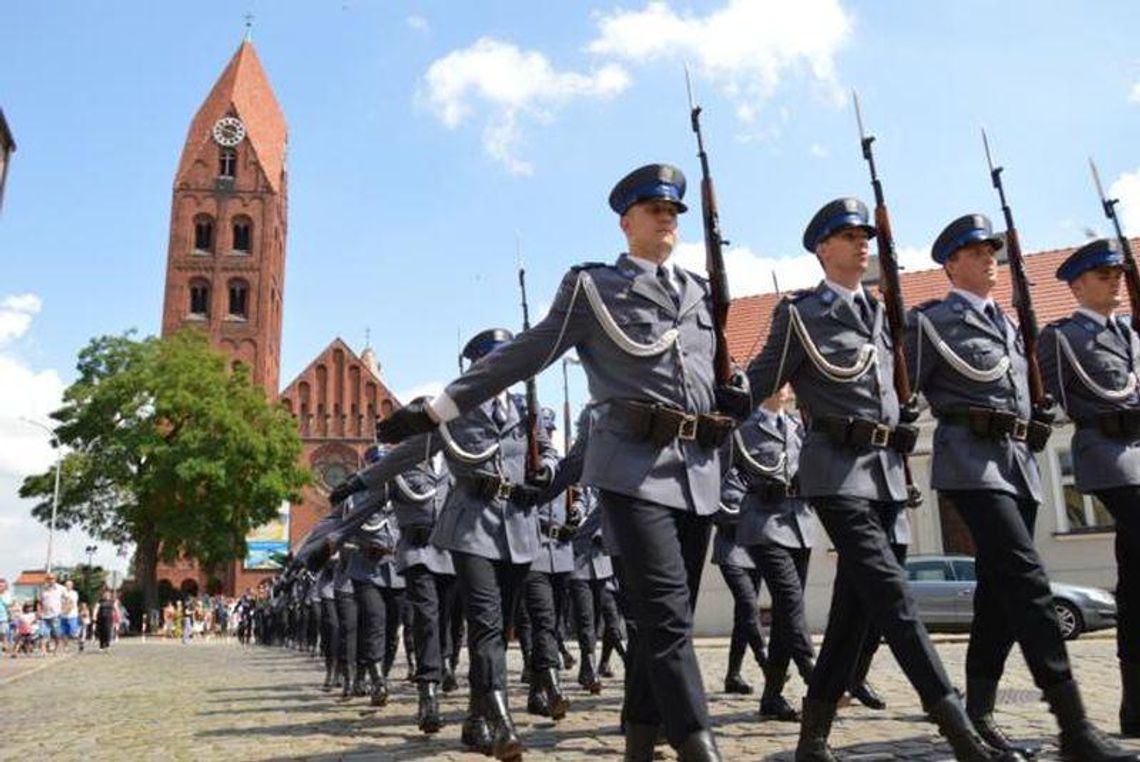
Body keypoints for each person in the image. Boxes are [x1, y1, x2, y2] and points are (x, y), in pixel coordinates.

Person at [368, 164, 736, 761]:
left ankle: (640, 742)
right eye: (653, 209)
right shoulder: (593, 289)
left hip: (696, 472)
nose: (667, 217)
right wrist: (440, 408)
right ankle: (700, 744)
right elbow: (527, 353)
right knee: (669, 621)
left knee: (664, 621)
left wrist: (733, 395)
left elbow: (706, 377)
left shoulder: (698, 291)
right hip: (633, 472)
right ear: (626, 221)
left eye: (673, 211)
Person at [740, 198, 1014, 761]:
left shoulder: (891, 315)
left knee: (853, 611)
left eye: (866, 234)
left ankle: (811, 737)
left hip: (886, 475)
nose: (862, 242)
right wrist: (702, 417)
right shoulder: (799, 315)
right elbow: (757, 381)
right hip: (835, 473)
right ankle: (958, 727)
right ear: (822, 249)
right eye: (848, 235)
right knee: (894, 597)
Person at [908, 217, 1138, 762]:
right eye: (975, 250)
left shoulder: (1012, 326)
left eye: (993, 249)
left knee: (998, 593)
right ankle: (1074, 725)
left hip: (1017, 465)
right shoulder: (930, 321)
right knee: (1029, 580)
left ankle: (979, 710)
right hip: (968, 462)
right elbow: (901, 389)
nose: (989, 257)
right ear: (950, 263)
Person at [331, 328, 561, 761]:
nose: (500, 370)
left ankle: (474, 721)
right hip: (472, 526)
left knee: (500, 632)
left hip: (518, 530)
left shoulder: (523, 407)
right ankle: (501, 723)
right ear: (477, 366)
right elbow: (409, 450)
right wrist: (359, 482)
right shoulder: (456, 408)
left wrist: (547, 467)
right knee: (486, 627)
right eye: (492, 361)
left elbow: (548, 449)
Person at [1037, 238, 1140, 747]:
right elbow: (1045, 397)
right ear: (1077, 285)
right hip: (1108, 457)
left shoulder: (1132, 335)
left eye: (1118, 275)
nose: (1115, 282)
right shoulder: (1062, 337)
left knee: (1135, 580)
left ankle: (1134, 703)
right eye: (1104, 276)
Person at [726, 386, 817, 722]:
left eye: (787, 382)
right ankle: (813, 672)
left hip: (800, 524)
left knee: (785, 614)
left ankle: (772, 697)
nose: (784, 388)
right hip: (763, 523)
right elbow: (721, 471)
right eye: (776, 381)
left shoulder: (796, 425)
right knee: (790, 598)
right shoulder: (743, 427)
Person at [389, 437, 457, 733]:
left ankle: (445, 664)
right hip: (418, 552)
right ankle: (428, 690)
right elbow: (368, 503)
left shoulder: (456, 460)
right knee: (427, 617)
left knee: (445, 620)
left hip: (450, 554)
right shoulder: (401, 463)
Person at [520, 405, 575, 720]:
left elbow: (576, 491)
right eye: (543, 430)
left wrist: (577, 509)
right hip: (534, 549)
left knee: (554, 624)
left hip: (562, 553)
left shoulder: (557, 463)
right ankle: (553, 687)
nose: (548, 436)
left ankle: (535, 692)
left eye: (551, 431)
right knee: (543, 620)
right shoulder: (523, 462)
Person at [39, 574, 63, 654]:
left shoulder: (60, 588)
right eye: (48, 579)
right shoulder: (43, 589)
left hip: (56, 615)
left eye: (52, 578)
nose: (50, 580)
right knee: (43, 633)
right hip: (45, 615)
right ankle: (43, 650)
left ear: (55, 579)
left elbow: (68, 599)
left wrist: (64, 610)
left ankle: (57, 648)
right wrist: (39, 612)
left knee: (56, 633)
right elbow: (39, 602)